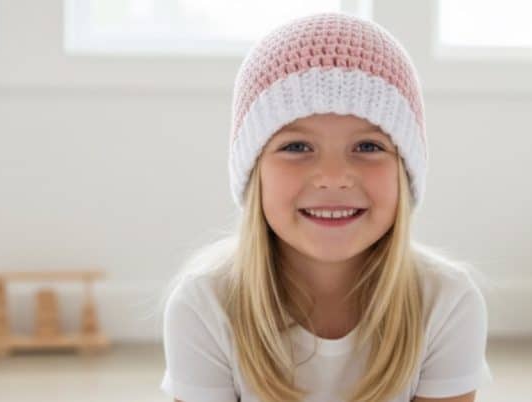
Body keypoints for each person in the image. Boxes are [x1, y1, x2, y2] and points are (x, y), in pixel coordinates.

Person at [159, 11, 493, 402]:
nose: (333, 177)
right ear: (254, 171)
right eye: (296, 146)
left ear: (405, 171)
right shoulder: (204, 306)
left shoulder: (448, 303)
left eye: (367, 146)